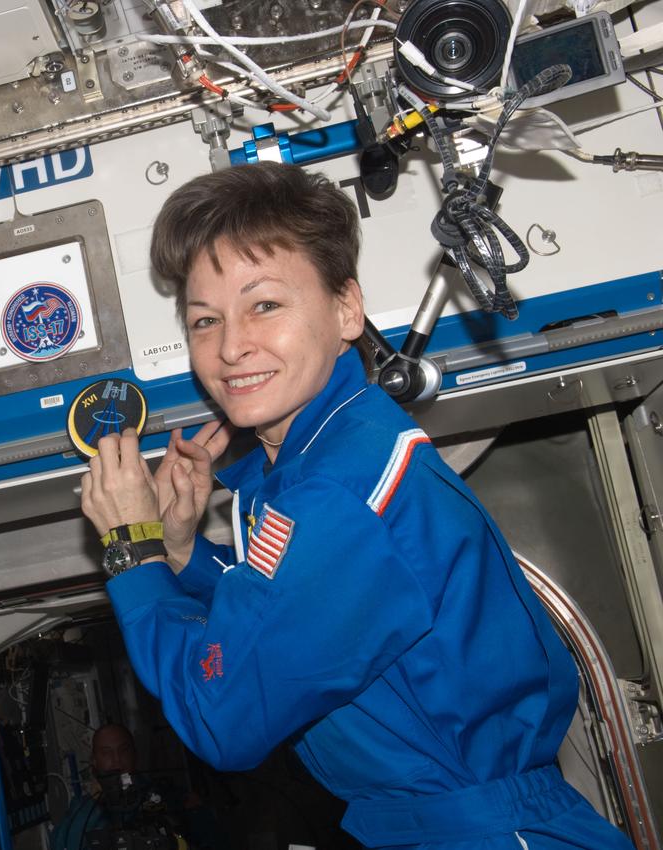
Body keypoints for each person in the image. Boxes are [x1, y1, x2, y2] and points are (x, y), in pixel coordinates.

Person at [79, 161, 632, 849]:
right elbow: (285, 617)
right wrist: (183, 552)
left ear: (347, 309)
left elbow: (221, 718)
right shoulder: (323, 464)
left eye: (264, 305)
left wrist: (132, 548)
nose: (230, 347)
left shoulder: (341, 491)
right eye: (204, 320)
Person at [51, 724, 220, 850]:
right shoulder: (81, 812)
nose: (117, 760)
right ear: (94, 761)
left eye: (123, 750)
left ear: (135, 755)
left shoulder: (168, 796)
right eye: (106, 752)